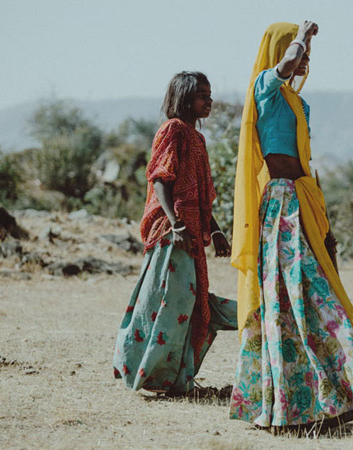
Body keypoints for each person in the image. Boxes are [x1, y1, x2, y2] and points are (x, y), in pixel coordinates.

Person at [229, 21, 353, 430]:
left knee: (314, 302)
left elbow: (306, 164)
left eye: (309, 54)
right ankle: (291, 409)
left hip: (302, 200)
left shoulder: (296, 101)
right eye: (299, 52)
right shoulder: (265, 87)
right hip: (280, 203)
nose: (305, 60)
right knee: (284, 303)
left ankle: (329, 402)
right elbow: (289, 61)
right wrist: (304, 36)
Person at [113, 71, 237, 394]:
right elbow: (159, 179)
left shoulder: (197, 139)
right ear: (185, 98)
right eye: (202, 95)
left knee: (189, 306)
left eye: (209, 95)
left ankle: (178, 379)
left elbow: (200, 195)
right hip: (172, 235)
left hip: (191, 235)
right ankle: (148, 373)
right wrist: (176, 223)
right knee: (173, 303)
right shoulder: (173, 131)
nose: (208, 101)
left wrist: (217, 231)